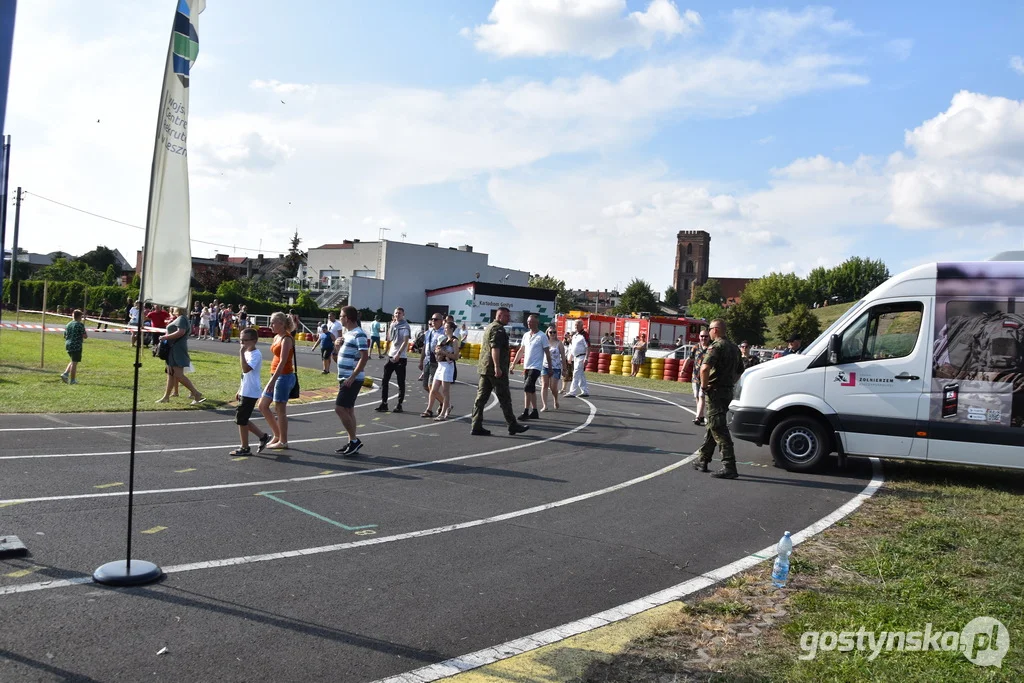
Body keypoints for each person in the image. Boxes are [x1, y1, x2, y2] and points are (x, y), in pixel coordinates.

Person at [693, 319, 743, 479]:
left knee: (718, 428)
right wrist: (729, 383)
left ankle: (729, 465)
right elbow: (740, 371)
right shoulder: (735, 348)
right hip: (727, 391)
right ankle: (703, 459)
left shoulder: (716, 346)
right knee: (714, 424)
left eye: (710, 330)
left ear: (715, 330)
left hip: (715, 391)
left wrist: (705, 386)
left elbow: (705, 368)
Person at [470, 307, 529, 437]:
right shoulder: (498, 329)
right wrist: (497, 367)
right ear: (500, 315)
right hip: (495, 370)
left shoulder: (490, 327)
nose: (509, 319)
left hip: (485, 369)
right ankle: (512, 424)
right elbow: (495, 348)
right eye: (507, 316)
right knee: (504, 398)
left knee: (481, 399)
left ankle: (476, 425)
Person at [258, 311, 297, 449]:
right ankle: (277, 434)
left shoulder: (287, 339)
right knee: (262, 406)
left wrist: (272, 381)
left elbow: (282, 362)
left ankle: (284, 441)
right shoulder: (277, 337)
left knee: (280, 410)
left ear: (281, 323)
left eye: (273, 322)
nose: (270, 325)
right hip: (275, 375)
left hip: (283, 377)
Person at [334, 305, 370, 456]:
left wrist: (353, 376)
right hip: (344, 377)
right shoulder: (347, 334)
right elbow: (338, 358)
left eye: (341, 316)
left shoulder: (358, 334)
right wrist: (336, 347)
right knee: (348, 410)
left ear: (347, 318)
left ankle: (354, 440)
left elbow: (364, 356)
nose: (340, 319)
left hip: (352, 379)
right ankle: (351, 441)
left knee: (339, 408)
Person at [230, 328, 271, 456]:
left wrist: (241, 353)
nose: (242, 343)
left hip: (251, 391)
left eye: (245, 340)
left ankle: (245, 447)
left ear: (254, 340)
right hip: (245, 390)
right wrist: (239, 389)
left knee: (241, 419)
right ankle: (262, 436)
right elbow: (244, 375)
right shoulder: (247, 352)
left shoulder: (255, 354)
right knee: (242, 419)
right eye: (241, 340)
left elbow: (246, 369)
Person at [156, 306, 206, 405]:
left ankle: (196, 393)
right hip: (172, 349)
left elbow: (181, 332)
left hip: (177, 349)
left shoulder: (182, 319)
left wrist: (165, 337)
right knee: (170, 374)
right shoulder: (180, 318)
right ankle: (166, 397)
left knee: (178, 375)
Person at [511, 313, 552, 421]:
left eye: (532, 322)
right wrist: (513, 363)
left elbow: (547, 353)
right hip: (527, 366)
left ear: (537, 322)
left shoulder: (542, 336)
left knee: (527, 388)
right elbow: (521, 350)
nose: (529, 324)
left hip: (536, 367)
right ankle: (534, 411)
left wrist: (550, 368)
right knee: (531, 389)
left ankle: (525, 411)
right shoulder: (526, 335)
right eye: (528, 322)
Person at [377, 307, 411, 413]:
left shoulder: (405, 326)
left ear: (403, 314)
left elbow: (405, 342)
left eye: (399, 313)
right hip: (391, 355)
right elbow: (389, 338)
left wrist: (399, 354)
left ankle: (399, 404)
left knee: (400, 381)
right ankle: (384, 403)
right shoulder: (393, 325)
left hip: (401, 357)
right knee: (385, 380)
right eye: (396, 313)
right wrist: (391, 326)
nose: (397, 315)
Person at [426, 321, 459, 420]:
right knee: (434, 390)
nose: (444, 329)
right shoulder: (443, 339)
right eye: (444, 328)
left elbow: (456, 356)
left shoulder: (454, 341)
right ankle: (448, 406)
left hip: (448, 366)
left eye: (446, 328)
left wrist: (444, 352)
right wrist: (437, 351)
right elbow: (438, 350)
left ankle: (443, 413)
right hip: (440, 365)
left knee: (445, 391)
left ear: (451, 329)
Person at [564, 320, 590, 398]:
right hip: (575, 357)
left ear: (582, 326)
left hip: (581, 357)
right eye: (575, 325)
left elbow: (588, 347)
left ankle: (572, 392)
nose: (576, 326)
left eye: (578, 325)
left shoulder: (584, 335)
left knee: (576, 374)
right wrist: (570, 357)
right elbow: (572, 347)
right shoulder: (575, 335)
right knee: (580, 374)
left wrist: (586, 358)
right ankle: (585, 391)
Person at [61, 309, 88, 384]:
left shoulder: (68, 324)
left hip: (68, 344)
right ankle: (72, 380)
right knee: (75, 363)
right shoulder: (80, 325)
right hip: (76, 345)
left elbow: (64, 335)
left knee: (73, 361)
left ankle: (65, 374)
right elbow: (85, 336)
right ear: (79, 316)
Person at [419, 313, 443, 398]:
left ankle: (445, 404)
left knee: (431, 386)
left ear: (441, 321)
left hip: (436, 361)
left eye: (435, 319)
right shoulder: (429, 332)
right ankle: (443, 403)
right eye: (432, 319)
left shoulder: (443, 332)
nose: (433, 321)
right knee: (425, 386)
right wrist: (421, 361)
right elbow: (425, 347)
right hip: (427, 360)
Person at [690, 329, 709, 425]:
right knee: (697, 396)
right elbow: (689, 359)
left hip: (706, 377)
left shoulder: (711, 348)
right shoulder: (695, 347)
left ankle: (698, 417)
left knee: (701, 396)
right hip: (695, 376)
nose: (704, 338)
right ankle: (701, 415)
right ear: (699, 337)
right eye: (702, 336)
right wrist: (682, 370)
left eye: (706, 336)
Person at [541, 327, 562, 411]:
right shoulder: (544, 342)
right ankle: (545, 405)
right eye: (551, 332)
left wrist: (564, 369)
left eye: (554, 332)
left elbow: (563, 356)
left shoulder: (559, 343)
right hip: (545, 366)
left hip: (556, 367)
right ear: (547, 333)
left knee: (553, 387)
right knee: (544, 385)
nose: (553, 334)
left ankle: (555, 399)